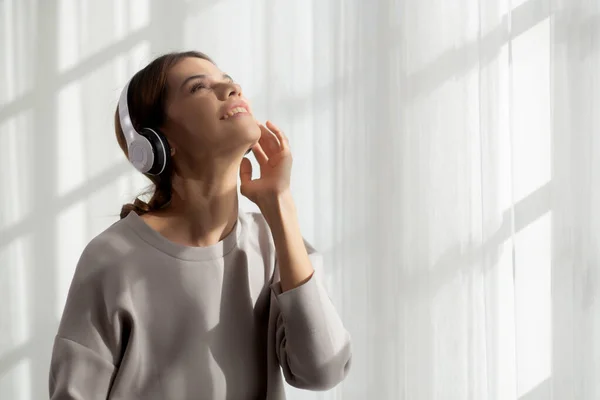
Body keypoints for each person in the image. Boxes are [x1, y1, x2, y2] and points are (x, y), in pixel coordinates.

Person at [48, 51, 352, 399]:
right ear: (157, 142)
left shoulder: (275, 245)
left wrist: (280, 203)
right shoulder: (112, 258)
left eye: (227, 79)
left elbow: (322, 370)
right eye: (199, 88)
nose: (230, 88)